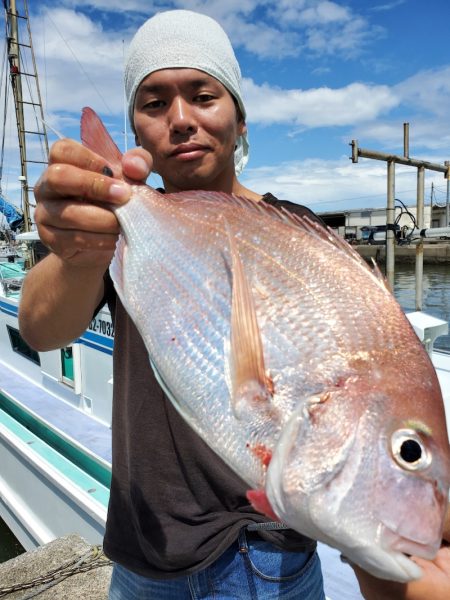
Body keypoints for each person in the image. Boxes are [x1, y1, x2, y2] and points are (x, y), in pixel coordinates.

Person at [18, 8, 450, 600]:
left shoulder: (301, 237)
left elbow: (352, 508)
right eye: (153, 103)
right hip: (143, 556)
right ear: (136, 130)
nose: (181, 120)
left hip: (268, 566)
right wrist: (77, 250)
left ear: (240, 117)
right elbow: (40, 331)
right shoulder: (122, 230)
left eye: (203, 95)